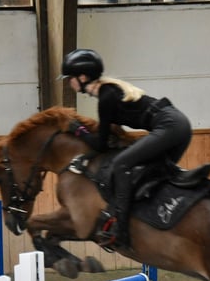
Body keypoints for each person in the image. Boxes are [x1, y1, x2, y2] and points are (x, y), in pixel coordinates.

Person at [58, 48, 193, 248]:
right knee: (148, 174)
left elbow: (101, 143)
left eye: (70, 78)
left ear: (83, 77)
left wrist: (79, 131)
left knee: (121, 164)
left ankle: (120, 229)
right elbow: (106, 141)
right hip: (178, 125)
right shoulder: (109, 91)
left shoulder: (106, 96)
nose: (69, 82)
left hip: (170, 126)